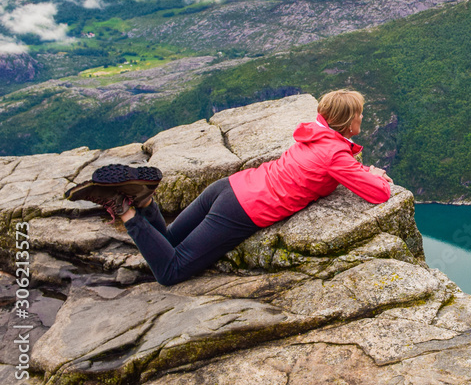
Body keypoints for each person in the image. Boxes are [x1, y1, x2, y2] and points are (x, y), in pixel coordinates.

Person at [65, 89, 393, 286]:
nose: (362, 121)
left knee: (169, 241)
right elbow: (379, 193)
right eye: (360, 115)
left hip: (227, 187)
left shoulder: (313, 133)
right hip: (241, 210)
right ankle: (126, 210)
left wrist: (358, 166)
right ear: (350, 121)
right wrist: (375, 175)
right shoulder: (336, 154)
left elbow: (331, 162)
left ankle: (147, 201)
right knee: (170, 271)